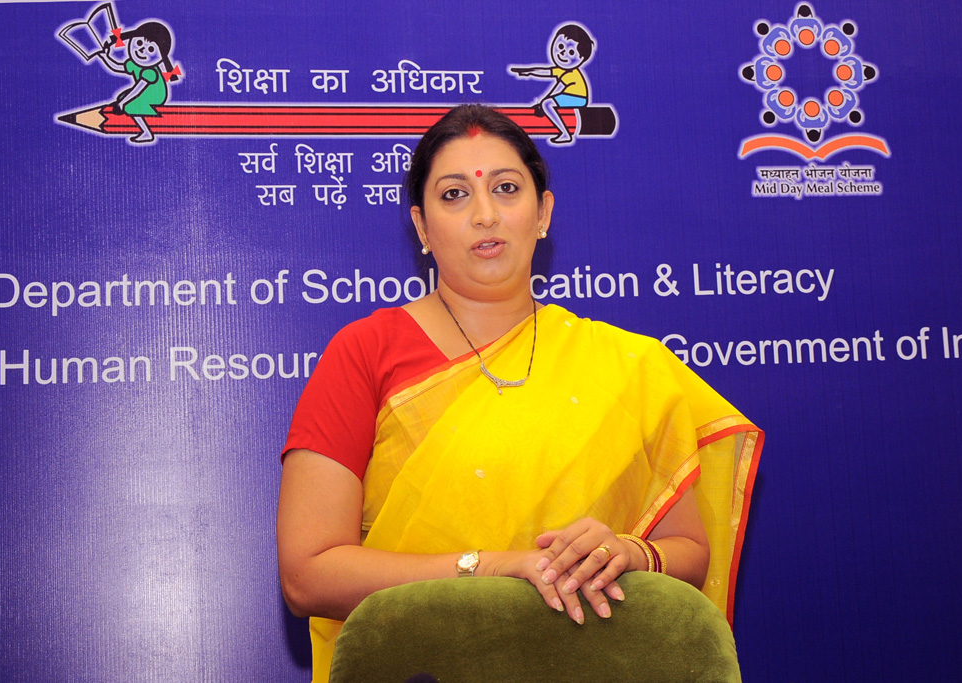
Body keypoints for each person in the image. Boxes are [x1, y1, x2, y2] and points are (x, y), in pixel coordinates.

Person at [277, 104, 763, 681]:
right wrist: (489, 569)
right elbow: (307, 574)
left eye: (506, 189)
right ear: (422, 228)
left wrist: (626, 554)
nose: (485, 214)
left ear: (543, 213)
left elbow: (688, 551)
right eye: (454, 195)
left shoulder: (630, 365)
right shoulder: (363, 353)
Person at [95, 21, 180, 143]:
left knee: (131, 105)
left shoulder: (150, 72)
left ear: (161, 57)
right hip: (143, 91)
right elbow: (117, 67)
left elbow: (138, 90)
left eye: (151, 49)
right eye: (139, 43)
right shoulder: (133, 64)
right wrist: (105, 57)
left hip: (155, 94)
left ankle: (146, 132)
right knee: (122, 97)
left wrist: (123, 104)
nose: (142, 50)